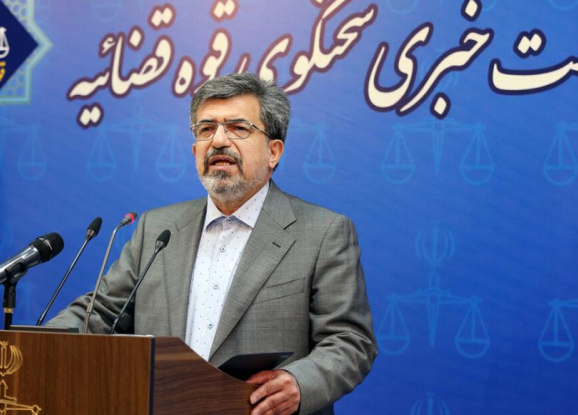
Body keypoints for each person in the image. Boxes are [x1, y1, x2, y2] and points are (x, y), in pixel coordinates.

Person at [48, 73, 376, 414]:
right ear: (195, 151)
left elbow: (350, 341)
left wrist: (299, 382)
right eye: (206, 129)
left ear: (273, 151)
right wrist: (34, 345)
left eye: (238, 128)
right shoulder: (157, 228)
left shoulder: (322, 232)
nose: (218, 140)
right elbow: (100, 313)